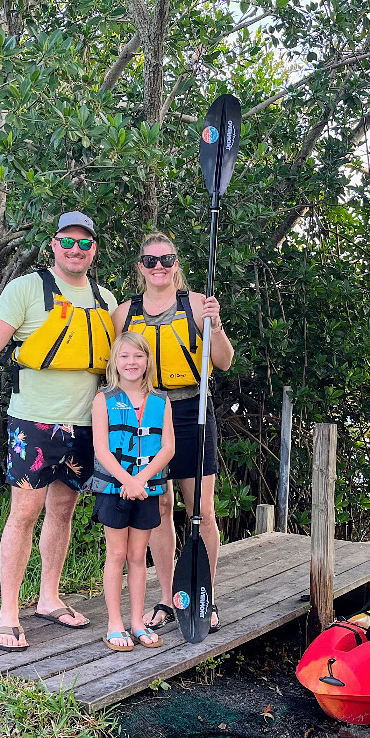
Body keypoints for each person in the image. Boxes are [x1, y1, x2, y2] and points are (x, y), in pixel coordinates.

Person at [0, 211, 116, 651]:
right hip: (34, 421)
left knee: (64, 509)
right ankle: (8, 613)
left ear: (94, 250)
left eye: (84, 243)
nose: (76, 250)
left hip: (85, 423)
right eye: (67, 242)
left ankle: (49, 598)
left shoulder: (105, 299)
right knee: (25, 512)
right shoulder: (27, 289)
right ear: (54, 245)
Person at [111, 232, 235, 632]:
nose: (159, 267)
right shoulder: (125, 312)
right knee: (160, 508)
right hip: (146, 413)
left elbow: (225, 361)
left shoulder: (199, 304)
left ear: (176, 263)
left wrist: (214, 327)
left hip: (191, 408)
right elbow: (114, 367)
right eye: (150, 261)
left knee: (201, 510)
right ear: (140, 267)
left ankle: (204, 596)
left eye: (166, 259)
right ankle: (168, 598)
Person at [89, 332, 175, 651]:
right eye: (124, 356)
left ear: (147, 361)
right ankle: (115, 623)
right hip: (115, 487)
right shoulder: (104, 399)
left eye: (138, 356)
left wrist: (141, 480)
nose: (131, 362)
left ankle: (138, 622)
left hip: (147, 489)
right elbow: (101, 448)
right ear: (115, 362)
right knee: (117, 554)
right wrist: (128, 479)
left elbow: (167, 447)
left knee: (138, 556)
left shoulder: (160, 401)